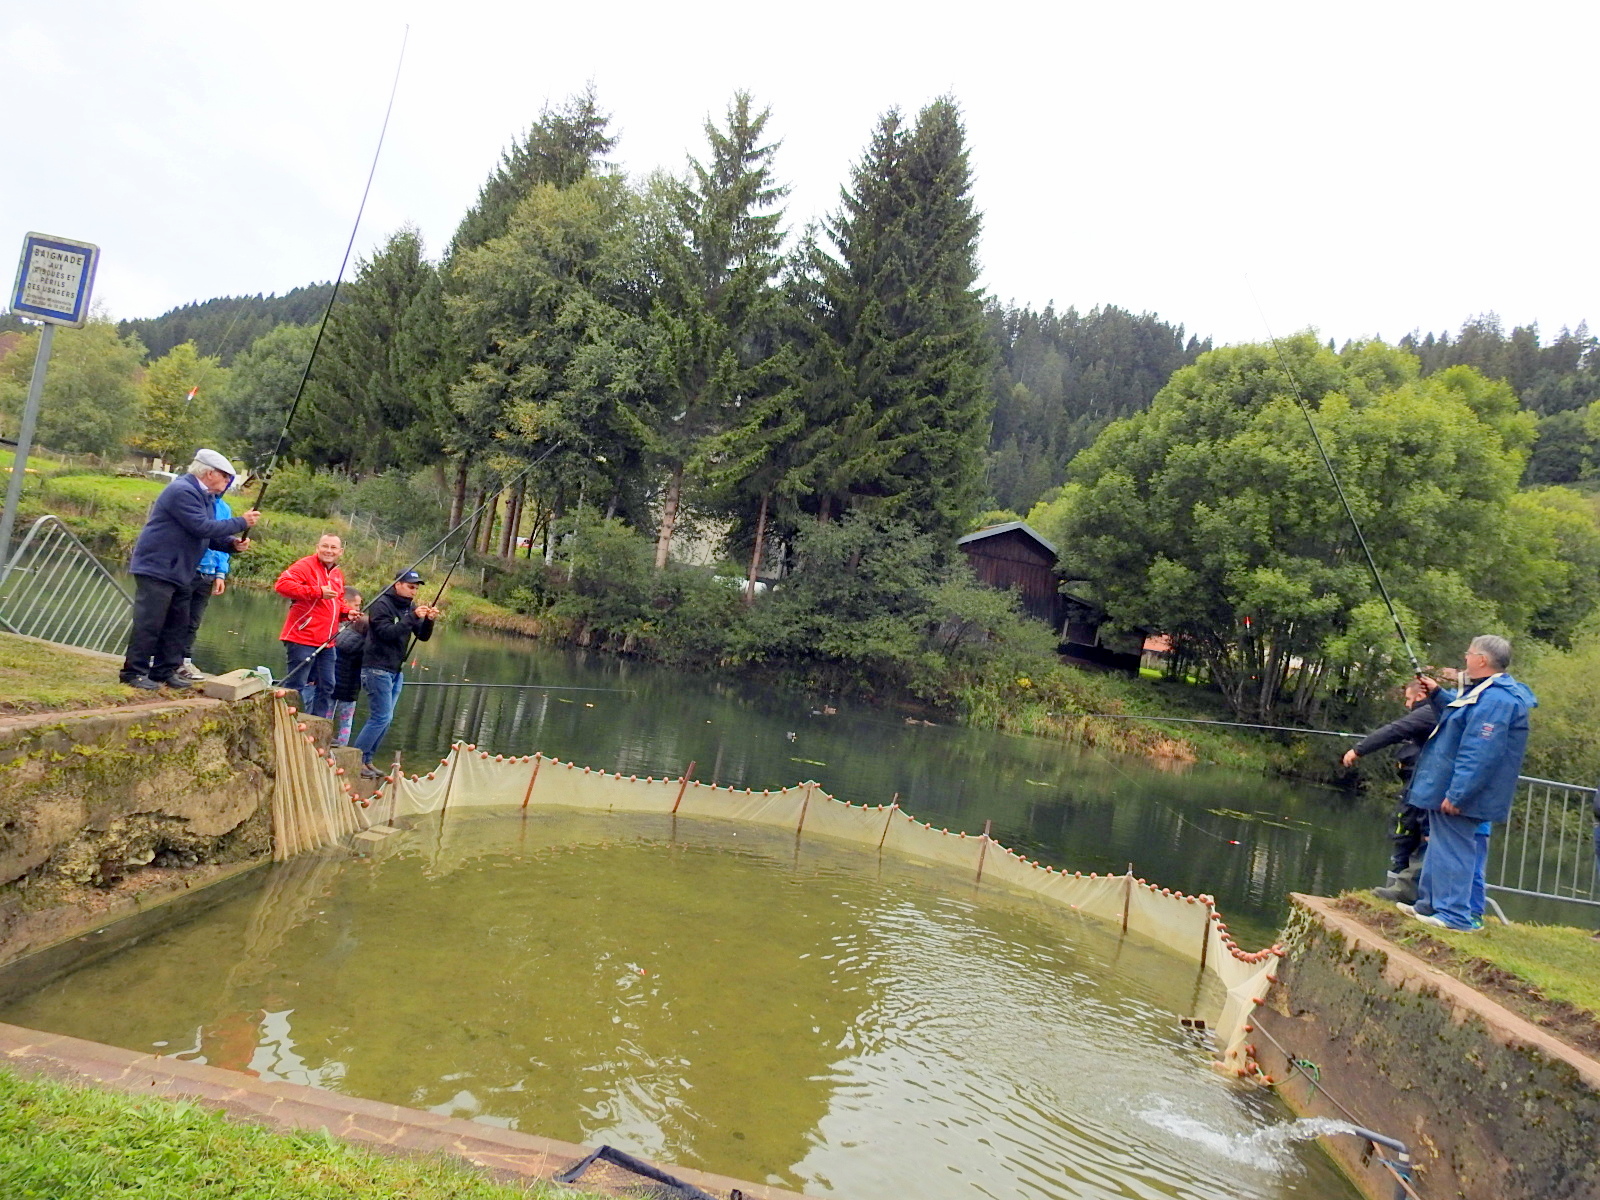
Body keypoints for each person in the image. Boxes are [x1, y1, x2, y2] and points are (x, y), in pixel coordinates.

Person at [1400, 635, 1537, 932]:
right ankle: (1429, 904)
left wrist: (1458, 794)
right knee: (1441, 846)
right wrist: (1437, 694)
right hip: (1450, 787)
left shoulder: (1498, 699)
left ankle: (1455, 915)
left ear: (1482, 660)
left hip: (1465, 794)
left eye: (1469, 653)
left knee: (1455, 849)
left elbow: (1480, 752)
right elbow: (1460, 715)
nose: (1465, 657)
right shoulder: (1485, 692)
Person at [120, 451, 258, 691]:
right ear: (210, 473)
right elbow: (200, 527)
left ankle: (165, 670)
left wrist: (231, 544)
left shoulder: (205, 497)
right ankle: (134, 672)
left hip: (181, 569)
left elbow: (205, 535)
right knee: (150, 622)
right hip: (158, 566)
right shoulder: (182, 490)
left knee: (178, 623)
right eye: (225, 477)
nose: (228, 482)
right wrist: (241, 522)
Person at [1341, 679, 1439, 903]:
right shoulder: (1432, 715)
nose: (1406, 705)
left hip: (1424, 790)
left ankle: (1405, 892)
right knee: (1405, 834)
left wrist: (1358, 750)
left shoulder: (1429, 712)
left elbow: (1394, 730)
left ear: (1420, 696)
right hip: (1418, 788)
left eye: (1408, 699)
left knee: (1413, 835)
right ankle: (1398, 888)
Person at [351, 569, 439, 777]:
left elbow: (422, 636)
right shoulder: (382, 604)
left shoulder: (409, 607)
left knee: (387, 719)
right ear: (397, 584)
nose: (413, 591)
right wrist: (412, 617)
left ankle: (367, 760)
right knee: (380, 717)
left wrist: (428, 620)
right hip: (376, 667)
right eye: (410, 587)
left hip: (395, 670)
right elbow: (386, 633)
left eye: (416, 588)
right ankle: (357, 760)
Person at [274, 534, 349, 718]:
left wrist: (347, 613)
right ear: (317, 548)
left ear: (340, 552)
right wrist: (316, 592)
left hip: (327, 641)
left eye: (333, 547)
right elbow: (282, 585)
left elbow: (337, 601)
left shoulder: (337, 574)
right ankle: (286, 720)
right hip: (301, 637)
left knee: (327, 685)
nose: (328, 551)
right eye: (325, 546)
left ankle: (316, 722)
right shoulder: (305, 565)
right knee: (296, 684)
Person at [174, 486, 236, 682]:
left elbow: (224, 543)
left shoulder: (225, 509)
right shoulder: (195, 504)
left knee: (193, 621)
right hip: (187, 569)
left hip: (208, 574)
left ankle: (185, 660)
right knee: (176, 617)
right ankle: (164, 658)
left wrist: (220, 573)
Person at [329, 588, 366, 748]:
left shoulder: (338, 635)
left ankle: (322, 741)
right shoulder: (363, 645)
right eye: (356, 605)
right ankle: (342, 747)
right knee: (346, 721)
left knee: (327, 716)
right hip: (350, 690)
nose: (358, 609)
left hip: (332, 684)